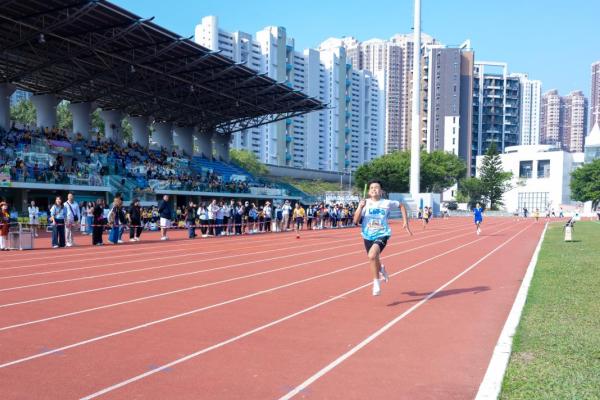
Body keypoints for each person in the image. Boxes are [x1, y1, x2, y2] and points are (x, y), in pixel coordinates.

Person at [353, 180, 412, 296]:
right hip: (367, 235)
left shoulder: (386, 203)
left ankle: (376, 283)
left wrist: (405, 221)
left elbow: (401, 206)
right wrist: (360, 207)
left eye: (376, 187)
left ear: (381, 191)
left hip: (382, 233)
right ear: (368, 192)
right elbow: (355, 221)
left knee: (372, 256)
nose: (374, 189)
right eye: (371, 188)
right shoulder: (365, 203)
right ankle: (381, 269)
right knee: (374, 258)